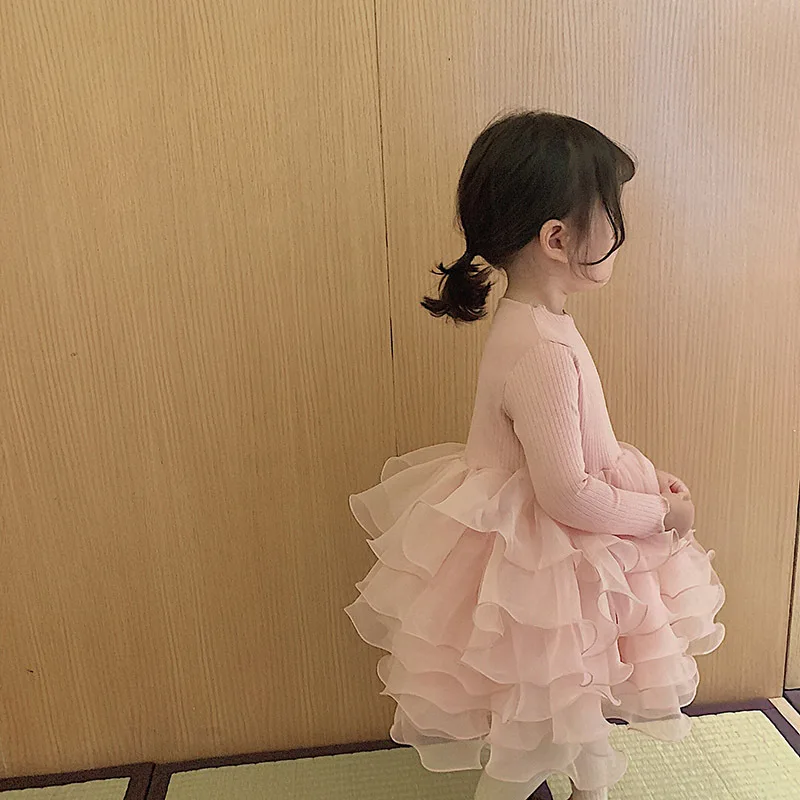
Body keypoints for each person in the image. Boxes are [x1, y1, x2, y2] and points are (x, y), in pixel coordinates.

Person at [345, 111, 725, 800]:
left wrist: (641, 475)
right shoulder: (544, 350)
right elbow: (569, 493)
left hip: (550, 556)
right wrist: (659, 516)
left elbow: (579, 446)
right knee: (537, 736)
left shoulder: (540, 323)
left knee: (570, 707)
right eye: (610, 214)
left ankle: (590, 789)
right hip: (543, 564)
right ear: (557, 238)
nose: (619, 231)